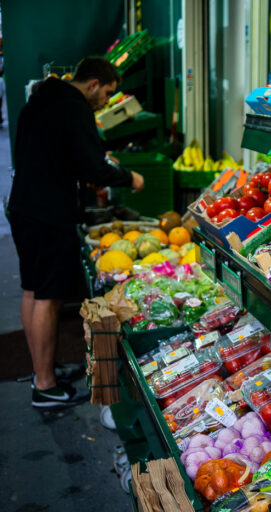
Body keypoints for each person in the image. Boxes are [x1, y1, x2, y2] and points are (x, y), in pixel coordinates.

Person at [7, 56, 144, 408]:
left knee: (32, 289)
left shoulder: (42, 97)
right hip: (48, 214)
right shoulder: (74, 107)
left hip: (24, 206)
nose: (106, 101)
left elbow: (60, 155)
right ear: (94, 84)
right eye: (107, 93)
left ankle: (42, 367)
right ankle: (45, 385)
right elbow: (93, 166)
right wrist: (130, 178)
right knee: (48, 297)